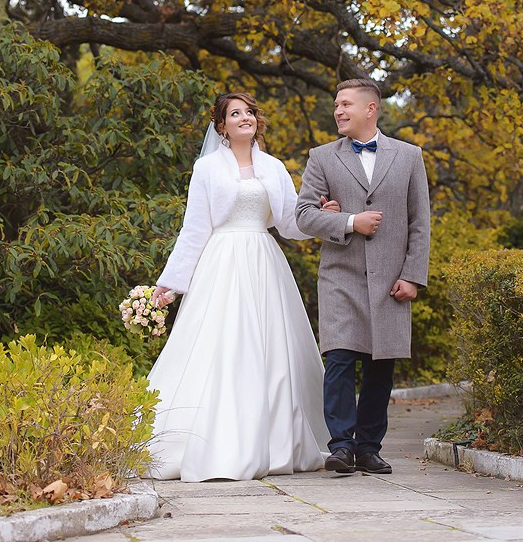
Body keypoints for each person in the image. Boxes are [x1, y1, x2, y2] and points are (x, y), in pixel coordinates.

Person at [144, 92, 334, 482]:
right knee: (224, 345)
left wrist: (321, 218)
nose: (244, 117)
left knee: (271, 350)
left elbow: (289, 223)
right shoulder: (207, 168)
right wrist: (171, 283)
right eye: (235, 113)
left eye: (249, 111)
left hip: (264, 263)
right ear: (221, 126)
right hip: (223, 262)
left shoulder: (274, 167)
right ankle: (215, 443)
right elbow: (195, 228)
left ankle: (276, 443)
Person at [295, 78, 431, 475]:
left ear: (370, 109)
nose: (337, 111)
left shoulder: (409, 156)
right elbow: (304, 215)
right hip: (341, 274)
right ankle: (340, 446)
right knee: (338, 358)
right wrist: (349, 220)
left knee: (380, 366)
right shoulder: (321, 157)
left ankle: (369, 447)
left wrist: (413, 276)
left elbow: (419, 222)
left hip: (391, 279)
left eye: (345, 104)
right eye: (336, 105)